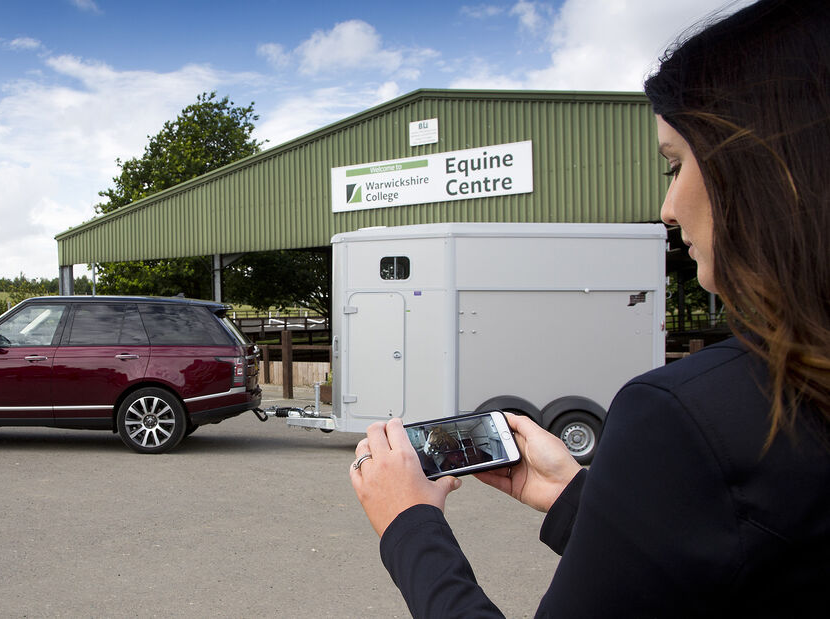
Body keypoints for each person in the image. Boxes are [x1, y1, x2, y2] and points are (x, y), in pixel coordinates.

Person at [349, 1, 830, 616]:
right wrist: (580, 498)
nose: (668, 208)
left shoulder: (685, 418)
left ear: (763, 170)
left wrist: (409, 525)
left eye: (677, 164)